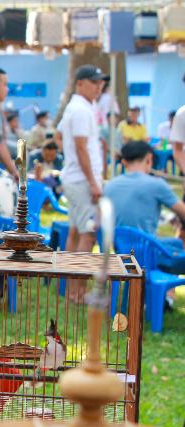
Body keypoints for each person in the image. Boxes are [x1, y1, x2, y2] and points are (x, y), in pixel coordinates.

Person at [56, 64, 107, 302]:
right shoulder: (79, 109)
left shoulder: (82, 107)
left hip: (77, 178)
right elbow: (80, 147)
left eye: (100, 82)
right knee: (88, 233)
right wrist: (94, 183)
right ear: (80, 83)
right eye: (94, 82)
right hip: (82, 181)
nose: (99, 86)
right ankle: (76, 292)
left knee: (77, 232)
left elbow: (59, 135)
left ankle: (71, 290)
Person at [104, 140, 185, 276]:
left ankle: (164, 293)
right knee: (176, 251)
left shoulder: (109, 186)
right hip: (146, 255)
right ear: (149, 158)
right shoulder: (157, 185)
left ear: (124, 162)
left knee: (176, 243)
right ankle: (163, 293)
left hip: (121, 253)